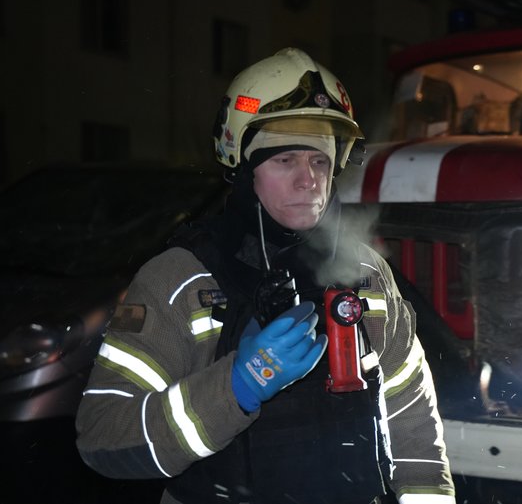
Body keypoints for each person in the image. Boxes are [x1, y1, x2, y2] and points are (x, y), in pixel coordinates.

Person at [75, 47, 456, 504]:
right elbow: (103, 438)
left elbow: (413, 424)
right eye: (284, 160)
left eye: (319, 161)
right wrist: (238, 385)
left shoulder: (367, 275)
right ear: (244, 170)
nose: (308, 180)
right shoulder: (182, 280)